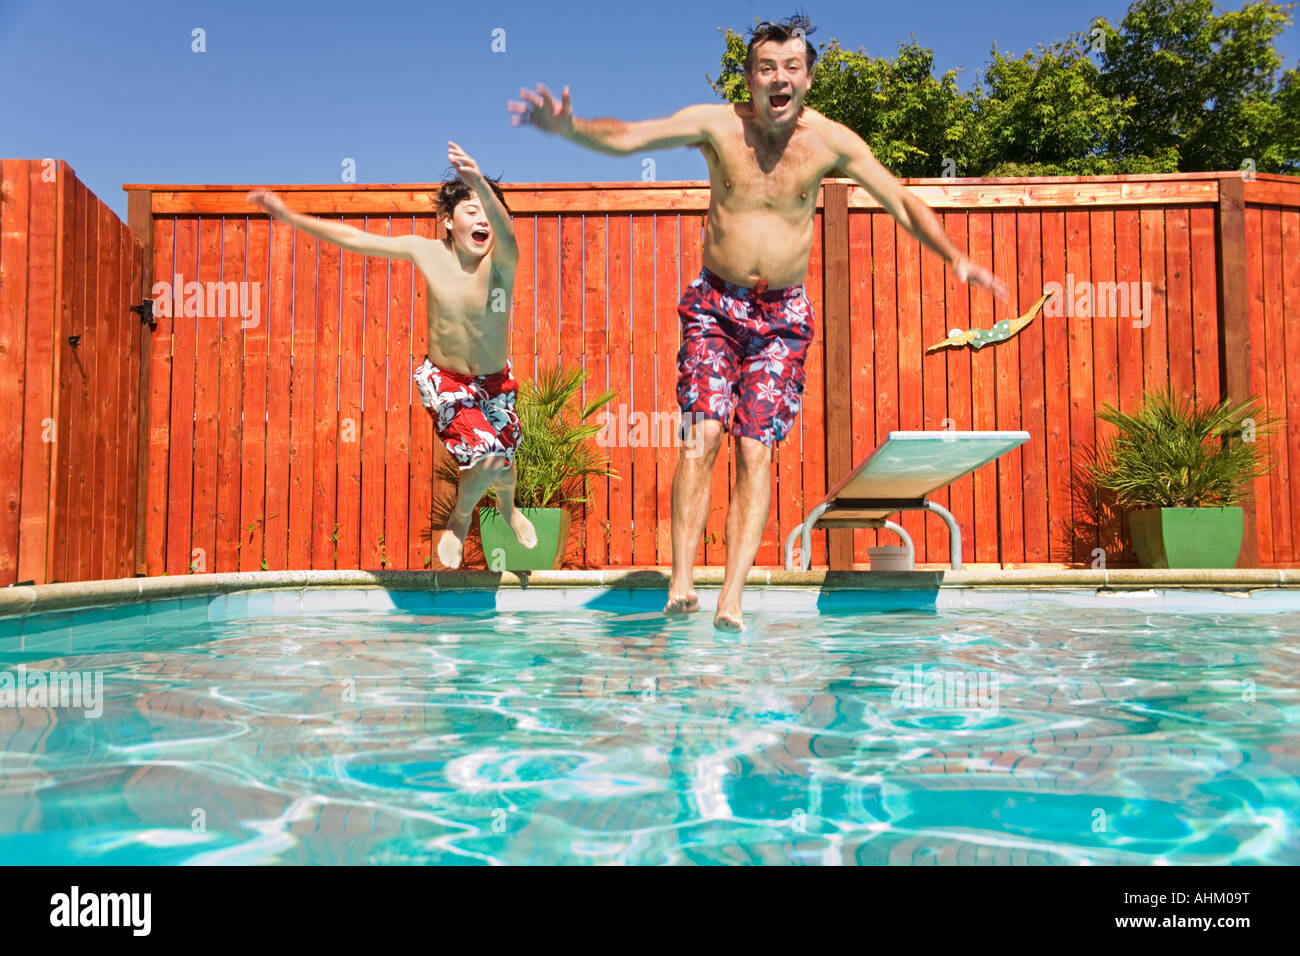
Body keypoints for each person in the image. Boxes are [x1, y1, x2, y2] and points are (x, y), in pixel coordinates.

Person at [510, 13, 1007, 630]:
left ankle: (732, 597)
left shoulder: (831, 143)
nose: (779, 78)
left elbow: (899, 197)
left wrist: (955, 258)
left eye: (791, 68)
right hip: (715, 306)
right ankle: (684, 579)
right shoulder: (718, 126)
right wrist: (570, 129)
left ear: (808, 79)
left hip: (783, 318)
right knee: (703, 436)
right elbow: (634, 137)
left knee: (755, 449)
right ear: (747, 78)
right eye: (766, 67)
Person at [246, 142, 537, 570]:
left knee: (503, 464)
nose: (482, 219)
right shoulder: (427, 253)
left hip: (496, 382)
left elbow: (508, 233)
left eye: (488, 211)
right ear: (447, 221)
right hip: (448, 380)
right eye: (470, 209)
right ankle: (459, 520)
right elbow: (356, 238)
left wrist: (479, 184)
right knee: (490, 457)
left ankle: (509, 510)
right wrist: (291, 217)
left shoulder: (501, 265)